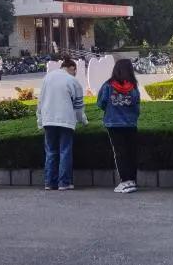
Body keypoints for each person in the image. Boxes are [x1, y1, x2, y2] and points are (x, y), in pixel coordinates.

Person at [37, 59, 88, 191]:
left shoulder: (47, 78)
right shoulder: (73, 81)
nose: (75, 73)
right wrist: (83, 121)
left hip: (48, 120)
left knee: (51, 152)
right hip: (66, 121)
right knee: (65, 151)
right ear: (71, 68)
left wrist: (40, 121)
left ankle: (49, 183)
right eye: (75, 71)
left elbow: (40, 101)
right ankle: (64, 183)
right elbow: (78, 106)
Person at [97, 59, 141, 194]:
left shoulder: (108, 85)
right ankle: (132, 181)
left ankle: (125, 181)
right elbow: (137, 104)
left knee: (120, 153)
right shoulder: (133, 86)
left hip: (113, 123)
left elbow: (101, 103)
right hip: (130, 123)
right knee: (131, 152)